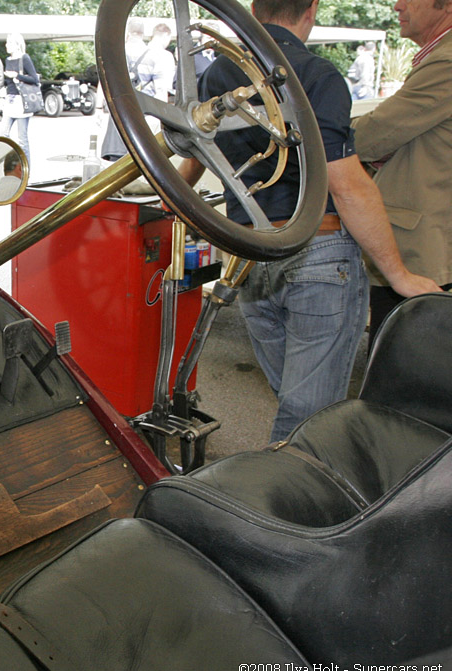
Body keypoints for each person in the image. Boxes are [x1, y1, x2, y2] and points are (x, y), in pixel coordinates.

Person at [177, 0, 439, 443]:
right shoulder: (317, 75)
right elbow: (347, 185)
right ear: (312, 9)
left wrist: (181, 206)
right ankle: (284, 501)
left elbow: (196, 153)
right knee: (309, 414)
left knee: (296, 399)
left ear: (256, 7)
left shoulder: (218, 74)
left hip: (250, 252)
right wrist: (400, 276)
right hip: (319, 250)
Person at [353, 0, 452, 347]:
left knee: (399, 377)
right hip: (430, 247)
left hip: (420, 253)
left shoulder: (445, 62)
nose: (397, 6)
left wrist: (327, 130)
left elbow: (370, 137)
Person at [103, 21, 173, 162]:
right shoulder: (155, 55)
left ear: (128, 33)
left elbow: (104, 82)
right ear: (143, 34)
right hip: (142, 116)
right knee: (139, 163)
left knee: (115, 166)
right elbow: (160, 91)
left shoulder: (116, 53)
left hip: (117, 115)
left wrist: (100, 109)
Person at [1, 33, 40, 163]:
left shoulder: (25, 58)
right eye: (7, 43)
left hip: (21, 101)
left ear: (17, 45)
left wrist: (16, 75)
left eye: (10, 43)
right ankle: (7, 164)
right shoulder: (8, 60)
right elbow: (9, 82)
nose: (7, 45)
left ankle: (26, 169)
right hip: (9, 99)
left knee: (22, 139)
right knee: (3, 135)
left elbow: (34, 79)